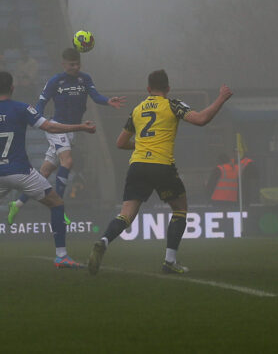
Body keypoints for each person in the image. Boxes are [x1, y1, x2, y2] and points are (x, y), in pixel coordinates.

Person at [88, 70, 232, 276]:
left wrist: (143, 143)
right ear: (168, 89)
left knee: (126, 214)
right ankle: (170, 261)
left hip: (137, 165)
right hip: (161, 164)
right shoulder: (173, 104)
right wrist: (221, 98)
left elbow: (120, 143)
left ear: (148, 89)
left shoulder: (137, 110)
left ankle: (103, 240)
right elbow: (201, 119)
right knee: (180, 209)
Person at [0, 71, 96, 271]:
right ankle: (61, 256)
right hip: (22, 173)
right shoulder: (22, 108)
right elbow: (50, 127)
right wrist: (81, 127)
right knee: (56, 203)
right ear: (13, 88)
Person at [6, 48, 125, 224]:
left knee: (44, 172)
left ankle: (17, 204)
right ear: (64, 64)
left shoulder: (85, 79)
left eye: (77, 64)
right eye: (71, 64)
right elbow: (41, 102)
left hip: (72, 132)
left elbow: (95, 95)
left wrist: (108, 101)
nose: (75, 67)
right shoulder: (56, 81)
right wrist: (37, 119)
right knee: (68, 161)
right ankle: (58, 207)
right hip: (57, 128)